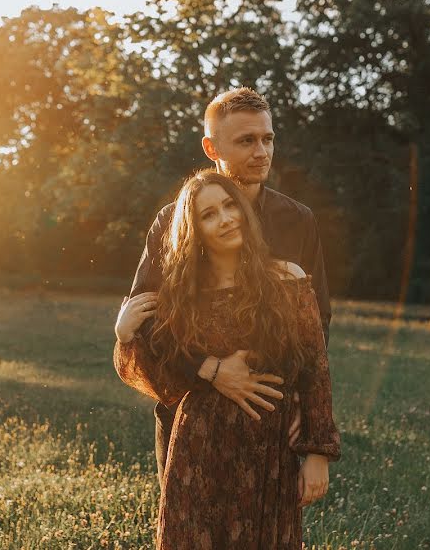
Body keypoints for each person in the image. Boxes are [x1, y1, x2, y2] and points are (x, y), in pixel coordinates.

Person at [114, 170, 340, 548]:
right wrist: (124, 334)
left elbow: (315, 369)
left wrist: (317, 452)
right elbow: (162, 374)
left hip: (269, 449)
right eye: (208, 214)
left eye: (230, 206)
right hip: (198, 450)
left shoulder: (288, 278)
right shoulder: (182, 295)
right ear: (195, 229)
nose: (225, 219)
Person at [125, 87, 333, 482]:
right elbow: (146, 322)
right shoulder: (172, 222)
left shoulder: (298, 220)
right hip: (189, 416)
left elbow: (318, 325)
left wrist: (307, 409)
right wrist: (212, 369)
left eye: (267, 138)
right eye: (245, 141)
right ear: (211, 147)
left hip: (269, 419)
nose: (261, 152)